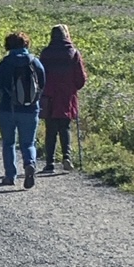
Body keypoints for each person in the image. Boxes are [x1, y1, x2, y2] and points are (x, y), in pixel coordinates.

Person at [0, 32, 46, 188]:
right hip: (30, 110)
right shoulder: (35, 62)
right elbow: (43, 85)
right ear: (26, 44)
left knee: (9, 143)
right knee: (28, 143)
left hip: (7, 109)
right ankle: (29, 163)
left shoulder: (5, 63)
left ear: (8, 46)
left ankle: (10, 176)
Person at [38, 23, 87, 173]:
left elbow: (40, 75)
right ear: (66, 35)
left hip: (49, 96)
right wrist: (72, 88)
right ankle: (67, 156)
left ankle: (50, 163)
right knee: (65, 127)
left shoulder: (45, 53)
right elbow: (81, 79)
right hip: (66, 96)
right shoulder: (73, 53)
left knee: (50, 129)